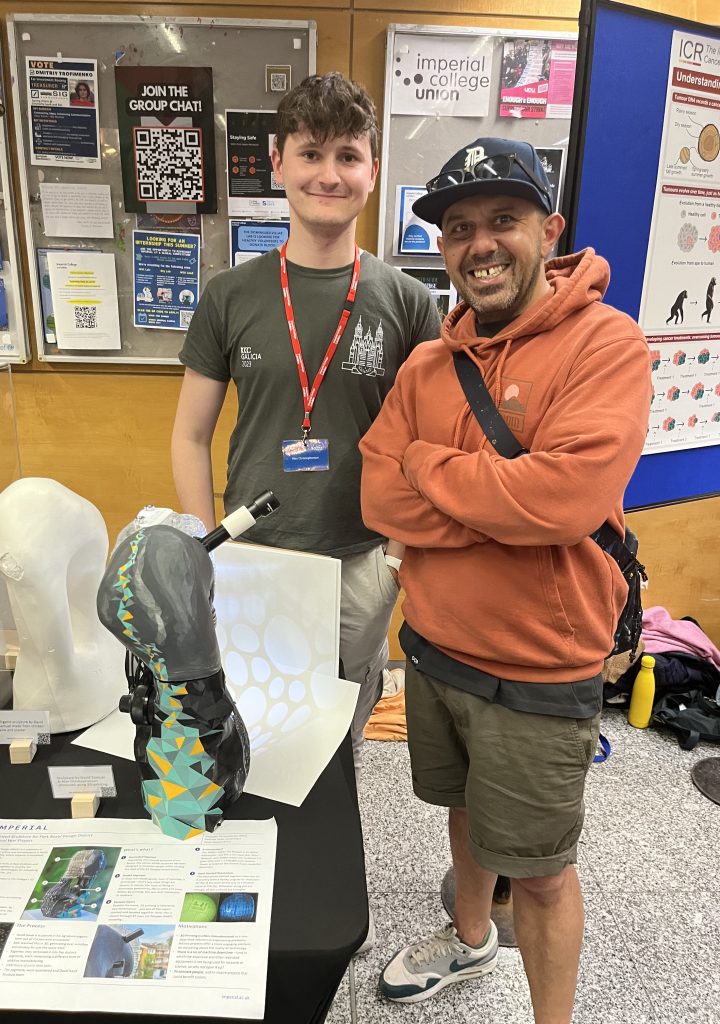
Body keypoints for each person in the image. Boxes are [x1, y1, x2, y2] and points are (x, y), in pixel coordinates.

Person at [359, 137, 651, 1022]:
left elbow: (562, 501)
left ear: (548, 229)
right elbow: (378, 493)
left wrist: (426, 463)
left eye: (503, 220)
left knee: (543, 871)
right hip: (436, 649)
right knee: (462, 813)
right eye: (459, 229)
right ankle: (470, 940)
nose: (480, 244)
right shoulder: (424, 365)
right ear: (442, 248)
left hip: (540, 663)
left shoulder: (607, 345)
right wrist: (492, 506)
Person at [171, 73, 440, 777]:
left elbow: (436, 444)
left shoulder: (409, 302)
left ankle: (325, 858)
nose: (330, 174)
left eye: (348, 156)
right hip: (252, 554)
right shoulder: (229, 296)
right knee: (255, 725)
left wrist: (400, 559)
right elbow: (189, 435)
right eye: (312, 153)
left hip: (363, 557)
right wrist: (208, 549)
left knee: (340, 738)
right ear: (279, 165)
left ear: (373, 172)